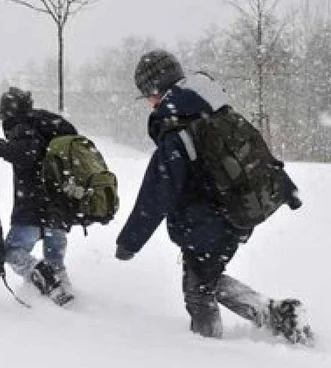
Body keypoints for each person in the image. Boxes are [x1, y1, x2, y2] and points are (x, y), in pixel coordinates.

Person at [114, 49, 312, 344]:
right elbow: (256, 153)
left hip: (207, 225)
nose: (148, 103)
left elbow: (155, 197)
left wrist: (129, 243)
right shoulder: (218, 112)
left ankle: (209, 351)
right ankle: (275, 315)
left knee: (197, 292)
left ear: (155, 90)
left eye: (147, 95)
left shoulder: (176, 131)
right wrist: (286, 188)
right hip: (235, 213)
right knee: (206, 278)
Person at [0, 87, 77, 306]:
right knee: (55, 260)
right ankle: (68, 299)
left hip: (33, 206)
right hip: (62, 205)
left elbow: (27, 153)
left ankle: (47, 281)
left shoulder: (23, 126)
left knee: (11, 251)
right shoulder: (48, 124)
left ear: (6, 111)